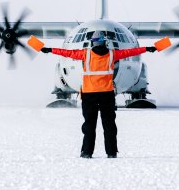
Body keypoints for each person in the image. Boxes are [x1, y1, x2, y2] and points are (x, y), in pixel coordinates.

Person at [41, 30, 157, 159]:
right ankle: (111, 152)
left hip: (89, 94)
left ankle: (86, 152)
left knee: (89, 125)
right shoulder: (113, 54)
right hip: (106, 94)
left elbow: (66, 53)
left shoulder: (85, 54)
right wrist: (147, 48)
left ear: (92, 43)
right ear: (105, 42)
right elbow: (131, 52)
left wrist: (49, 49)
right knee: (109, 125)